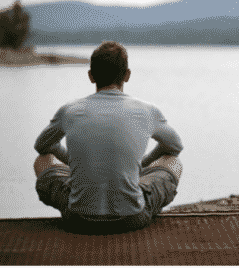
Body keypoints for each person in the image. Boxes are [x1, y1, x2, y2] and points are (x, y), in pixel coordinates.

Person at [33, 41, 184, 234]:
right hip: (132, 219)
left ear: (91, 76)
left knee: (42, 160)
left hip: (77, 219)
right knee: (174, 162)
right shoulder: (148, 111)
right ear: (127, 75)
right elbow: (175, 148)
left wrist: (75, 164)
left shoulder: (69, 110)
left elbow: (42, 147)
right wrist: (142, 165)